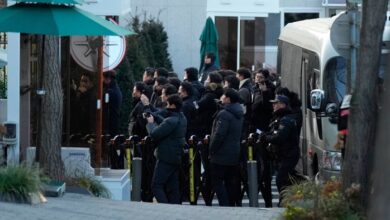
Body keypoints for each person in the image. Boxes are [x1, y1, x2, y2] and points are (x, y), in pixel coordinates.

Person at [146, 94, 187, 204]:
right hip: (176, 156)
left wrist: (151, 123)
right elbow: (167, 125)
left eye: (168, 104)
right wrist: (157, 118)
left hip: (166, 156)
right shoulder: (182, 118)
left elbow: (155, 134)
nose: (166, 106)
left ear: (173, 105)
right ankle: (175, 210)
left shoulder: (171, 120)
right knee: (173, 187)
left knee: (156, 185)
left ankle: (165, 208)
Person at [261, 95, 300, 206]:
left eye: (276, 103)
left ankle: (285, 203)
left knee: (280, 180)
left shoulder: (286, 120)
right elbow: (273, 132)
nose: (273, 105)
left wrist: (265, 138)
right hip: (282, 155)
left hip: (289, 155)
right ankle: (290, 201)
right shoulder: (278, 119)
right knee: (286, 179)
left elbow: (279, 138)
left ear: (283, 105)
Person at [209, 88, 244, 206]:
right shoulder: (239, 112)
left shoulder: (224, 114)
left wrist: (211, 149)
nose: (221, 98)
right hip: (234, 152)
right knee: (230, 182)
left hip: (221, 153)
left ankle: (224, 206)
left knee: (217, 181)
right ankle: (231, 205)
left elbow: (219, 134)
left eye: (223, 96)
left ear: (228, 99)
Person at [103, 70, 122, 136]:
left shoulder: (109, 92)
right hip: (114, 125)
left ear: (108, 79)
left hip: (108, 127)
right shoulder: (116, 89)